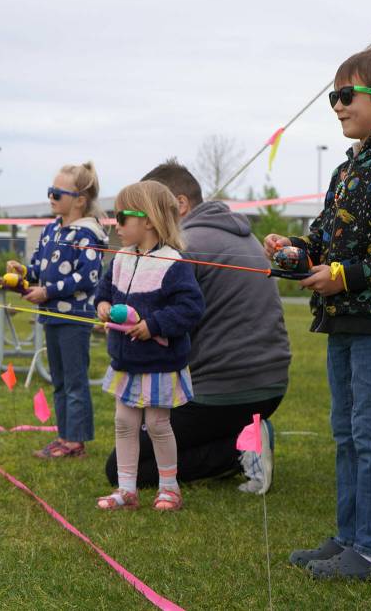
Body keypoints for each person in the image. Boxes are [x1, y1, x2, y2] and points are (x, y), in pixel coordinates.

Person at [276, 47, 371, 580]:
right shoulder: (349, 168)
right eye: (332, 98)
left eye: (346, 96)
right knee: (345, 433)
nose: (337, 106)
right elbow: (322, 240)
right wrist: (294, 254)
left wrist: (344, 276)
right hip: (342, 319)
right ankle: (347, 539)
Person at [102, 159, 290, 495]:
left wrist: (128, 322)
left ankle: (240, 449)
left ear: (177, 205)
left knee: (121, 466)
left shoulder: (182, 249)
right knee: (150, 431)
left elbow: (173, 314)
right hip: (270, 384)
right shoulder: (235, 232)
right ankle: (245, 433)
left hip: (224, 391)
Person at [94, 181, 205, 511]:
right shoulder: (120, 259)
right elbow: (103, 293)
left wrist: (152, 325)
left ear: (149, 220)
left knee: (157, 425)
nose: (117, 223)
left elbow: (190, 309)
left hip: (159, 362)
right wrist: (101, 306)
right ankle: (126, 490)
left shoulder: (174, 263)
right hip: (126, 362)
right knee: (124, 423)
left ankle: (169, 488)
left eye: (122, 216)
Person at [7, 162, 108, 459]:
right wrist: (23, 271)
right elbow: (39, 266)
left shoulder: (87, 235)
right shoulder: (52, 229)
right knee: (60, 380)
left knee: (75, 380)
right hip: (51, 315)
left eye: (57, 193)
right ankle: (64, 436)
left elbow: (87, 277)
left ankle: (75, 441)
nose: (51, 197)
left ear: (79, 200)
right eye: (50, 192)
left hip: (73, 317)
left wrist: (47, 292)